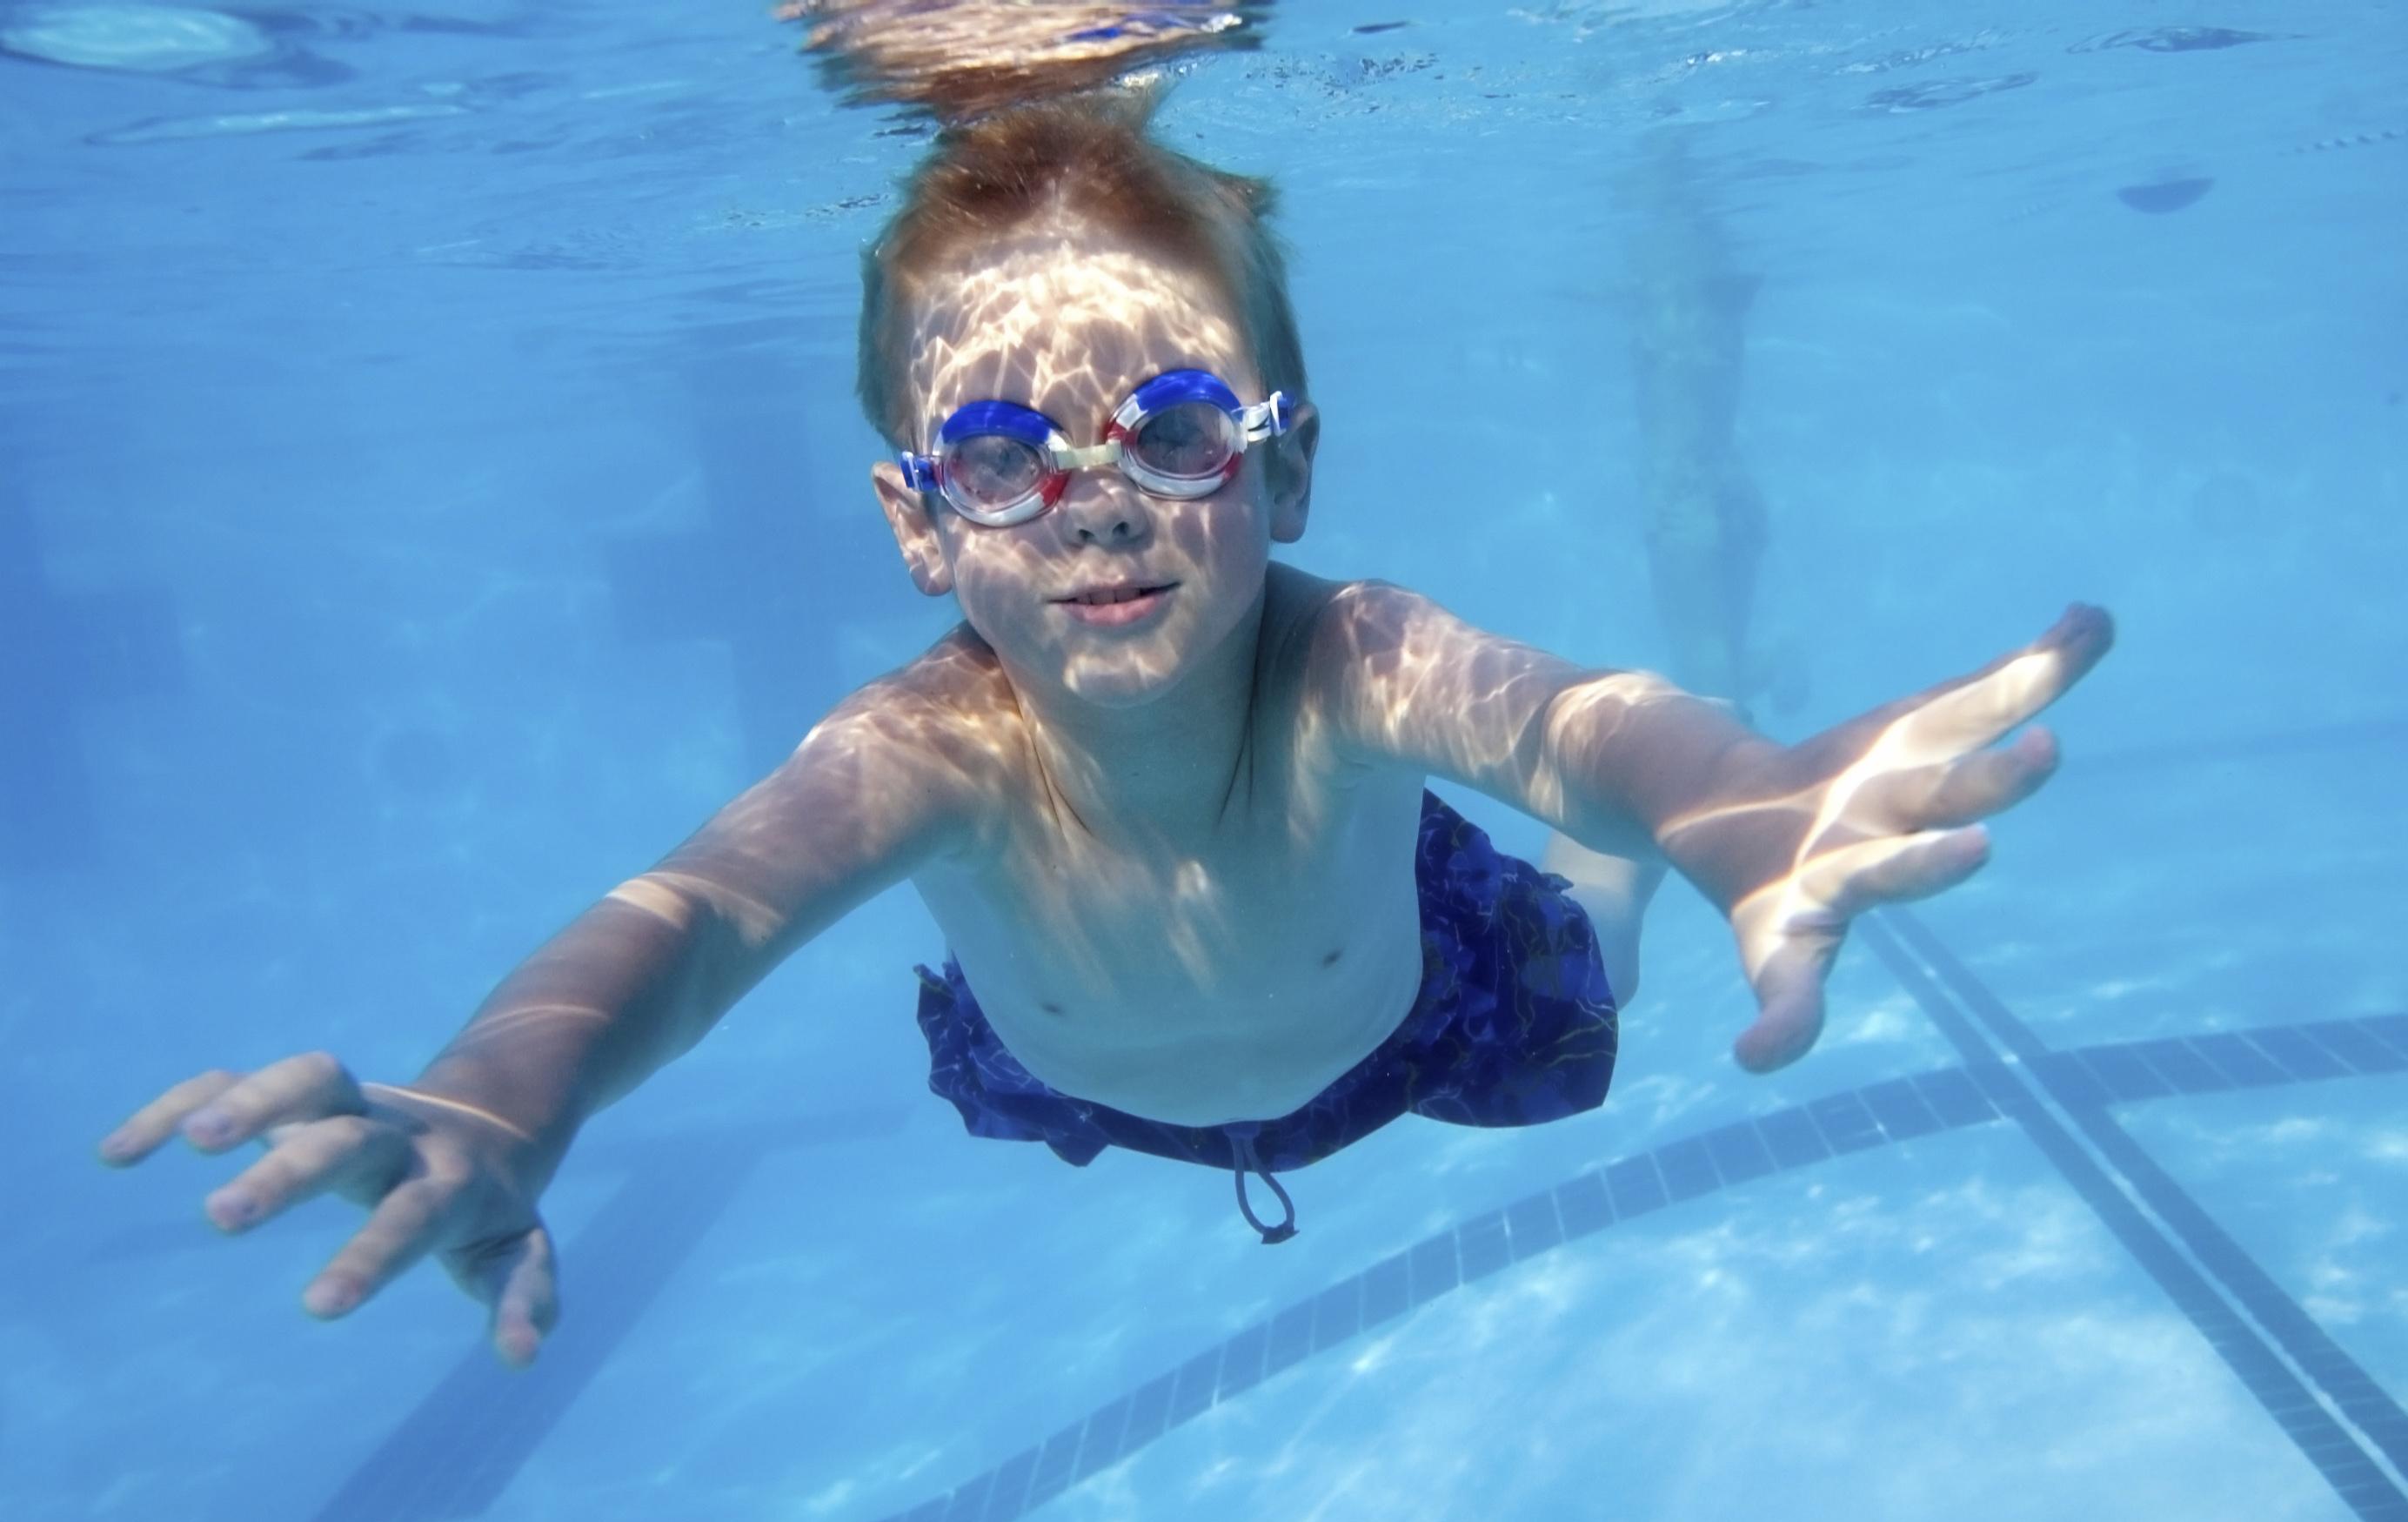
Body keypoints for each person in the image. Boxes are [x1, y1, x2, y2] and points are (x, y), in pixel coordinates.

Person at [96, 92, 2112, 1368]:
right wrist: (496, 1100)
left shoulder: (1351, 660)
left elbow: (1582, 728)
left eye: (1167, 427)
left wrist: (1726, 796)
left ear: (1284, 467)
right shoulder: (924, 747)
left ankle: (1617, 903)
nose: (1096, 501)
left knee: (1585, 913)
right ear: (915, 520)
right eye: (996, 451)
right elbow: (697, 919)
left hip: (1423, 1015)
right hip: (1079, 1068)